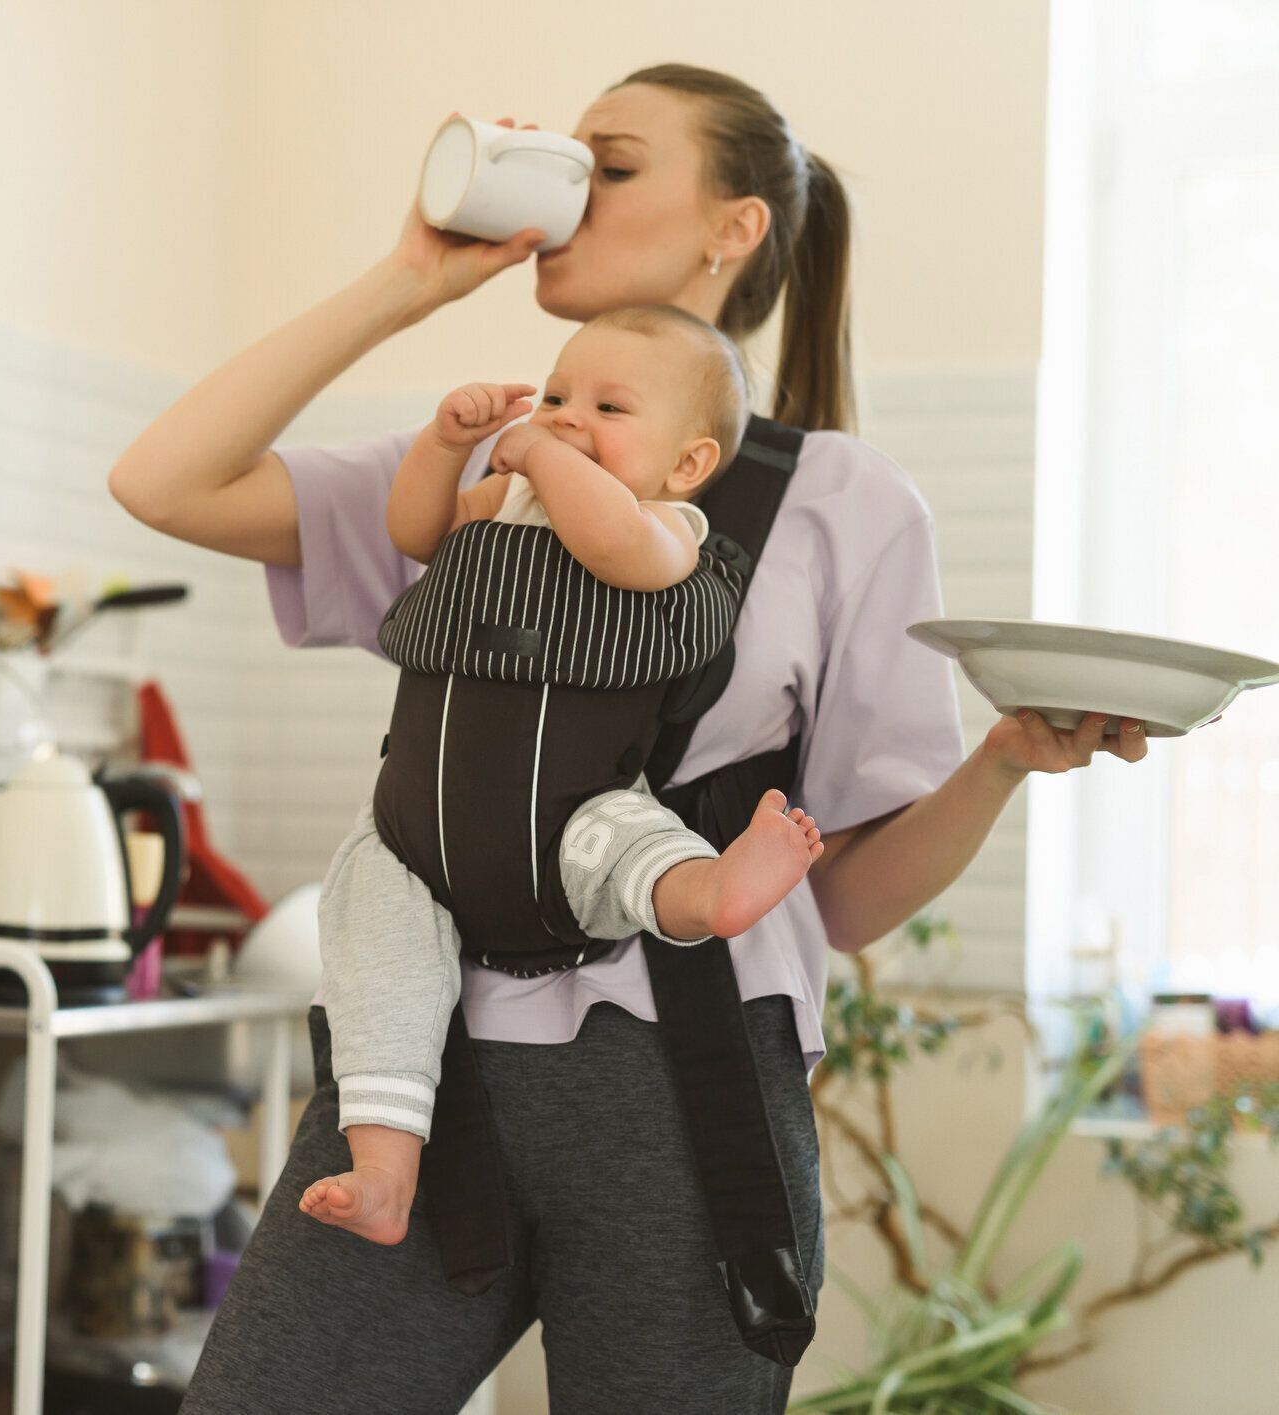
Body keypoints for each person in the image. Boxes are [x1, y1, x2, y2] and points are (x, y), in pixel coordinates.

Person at [109, 63, 1149, 1413]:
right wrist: (410, 278)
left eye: (613, 164)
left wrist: (1002, 757)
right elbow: (161, 480)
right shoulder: (478, 473)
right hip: (415, 1083)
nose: (567, 188)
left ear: (734, 227)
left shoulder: (839, 502)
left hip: (688, 1088)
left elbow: (843, 901)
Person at [301, 307, 826, 1248]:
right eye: (554, 395)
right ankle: (383, 1170)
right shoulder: (502, 501)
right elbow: (415, 532)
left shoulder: (671, 526)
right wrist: (445, 443)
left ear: (689, 463)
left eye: (609, 406)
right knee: (372, 943)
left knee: (637, 847)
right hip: (415, 836)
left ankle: (715, 888)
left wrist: (541, 455)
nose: (568, 417)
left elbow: (613, 546)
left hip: (572, 820)